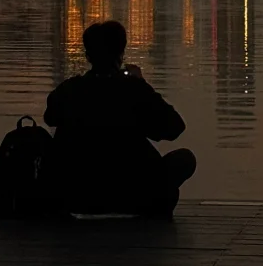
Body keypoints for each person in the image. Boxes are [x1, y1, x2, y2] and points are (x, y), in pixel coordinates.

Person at [43, 19, 196, 217]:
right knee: (185, 159)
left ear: (88, 55)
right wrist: (141, 84)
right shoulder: (133, 89)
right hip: (132, 196)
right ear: (121, 54)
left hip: (77, 197)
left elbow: (50, 117)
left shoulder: (70, 89)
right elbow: (174, 127)